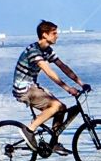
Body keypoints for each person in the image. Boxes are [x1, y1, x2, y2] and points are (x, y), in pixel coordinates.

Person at [12, 21, 86, 153]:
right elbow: (49, 72)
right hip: (23, 90)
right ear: (44, 35)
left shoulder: (47, 50)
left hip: (32, 87)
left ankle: (54, 143)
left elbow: (63, 66)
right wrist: (68, 88)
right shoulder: (33, 51)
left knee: (62, 108)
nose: (57, 36)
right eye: (54, 33)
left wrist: (81, 83)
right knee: (55, 106)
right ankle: (29, 130)